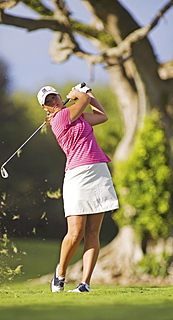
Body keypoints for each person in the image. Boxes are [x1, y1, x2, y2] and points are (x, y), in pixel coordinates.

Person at [37, 83, 119, 293]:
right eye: (49, 101)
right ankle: (60, 274)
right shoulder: (59, 119)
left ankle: (85, 284)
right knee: (75, 233)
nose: (54, 101)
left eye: (54, 97)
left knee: (93, 232)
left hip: (99, 171)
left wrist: (89, 95)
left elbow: (102, 116)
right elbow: (82, 102)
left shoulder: (77, 116)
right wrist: (80, 95)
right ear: (46, 108)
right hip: (78, 175)